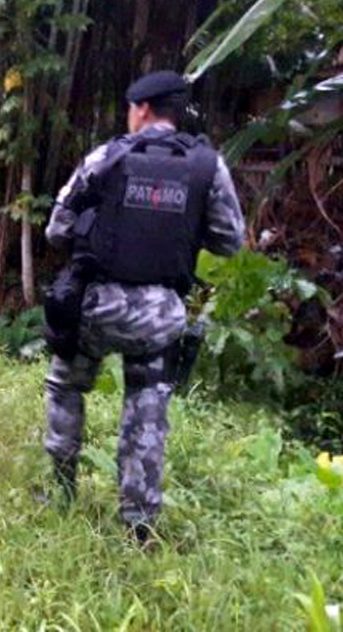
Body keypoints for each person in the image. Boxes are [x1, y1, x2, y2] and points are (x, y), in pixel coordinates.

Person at [42, 70, 245, 544]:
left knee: (65, 384)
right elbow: (230, 242)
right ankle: (138, 526)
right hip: (158, 315)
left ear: (143, 109)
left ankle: (61, 489)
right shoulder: (206, 167)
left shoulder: (107, 157)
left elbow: (56, 229)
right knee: (147, 407)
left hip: (96, 309)